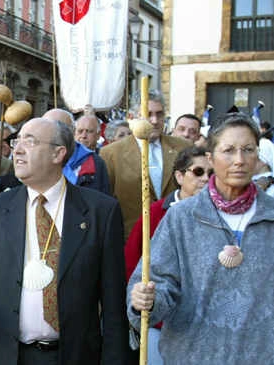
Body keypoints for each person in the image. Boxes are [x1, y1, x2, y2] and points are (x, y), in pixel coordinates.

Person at [0, 118, 128, 365]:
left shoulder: (100, 211)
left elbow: (113, 302)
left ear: (58, 153)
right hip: (8, 355)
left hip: (74, 355)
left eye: (30, 141)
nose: (17, 149)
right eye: (17, 141)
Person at [128, 113, 274, 364]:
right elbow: (158, 280)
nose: (239, 160)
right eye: (228, 150)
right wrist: (148, 300)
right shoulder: (181, 218)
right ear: (210, 158)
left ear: (257, 156)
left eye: (248, 150)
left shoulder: (270, 215)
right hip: (193, 354)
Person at [123, 146, 211, 365]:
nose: (206, 179)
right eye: (198, 172)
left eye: (212, 174)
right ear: (180, 176)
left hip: (204, 324)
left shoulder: (219, 215)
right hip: (160, 322)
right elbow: (133, 262)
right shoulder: (155, 213)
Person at [100, 90, 193, 240]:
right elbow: (104, 203)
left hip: (178, 237)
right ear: (132, 117)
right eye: (148, 114)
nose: (155, 120)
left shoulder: (184, 148)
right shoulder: (110, 154)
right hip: (131, 241)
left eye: (159, 114)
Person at [45, 109, 112, 195]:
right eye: (80, 131)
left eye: (89, 131)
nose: (83, 136)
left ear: (71, 132)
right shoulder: (33, 158)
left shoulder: (96, 162)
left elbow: (102, 202)